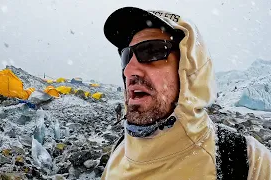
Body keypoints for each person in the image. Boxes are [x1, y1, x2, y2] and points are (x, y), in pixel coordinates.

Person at [102, 7, 271, 179]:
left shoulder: (247, 161)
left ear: (190, 70)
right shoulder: (118, 152)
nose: (128, 70)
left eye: (151, 51)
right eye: (126, 56)